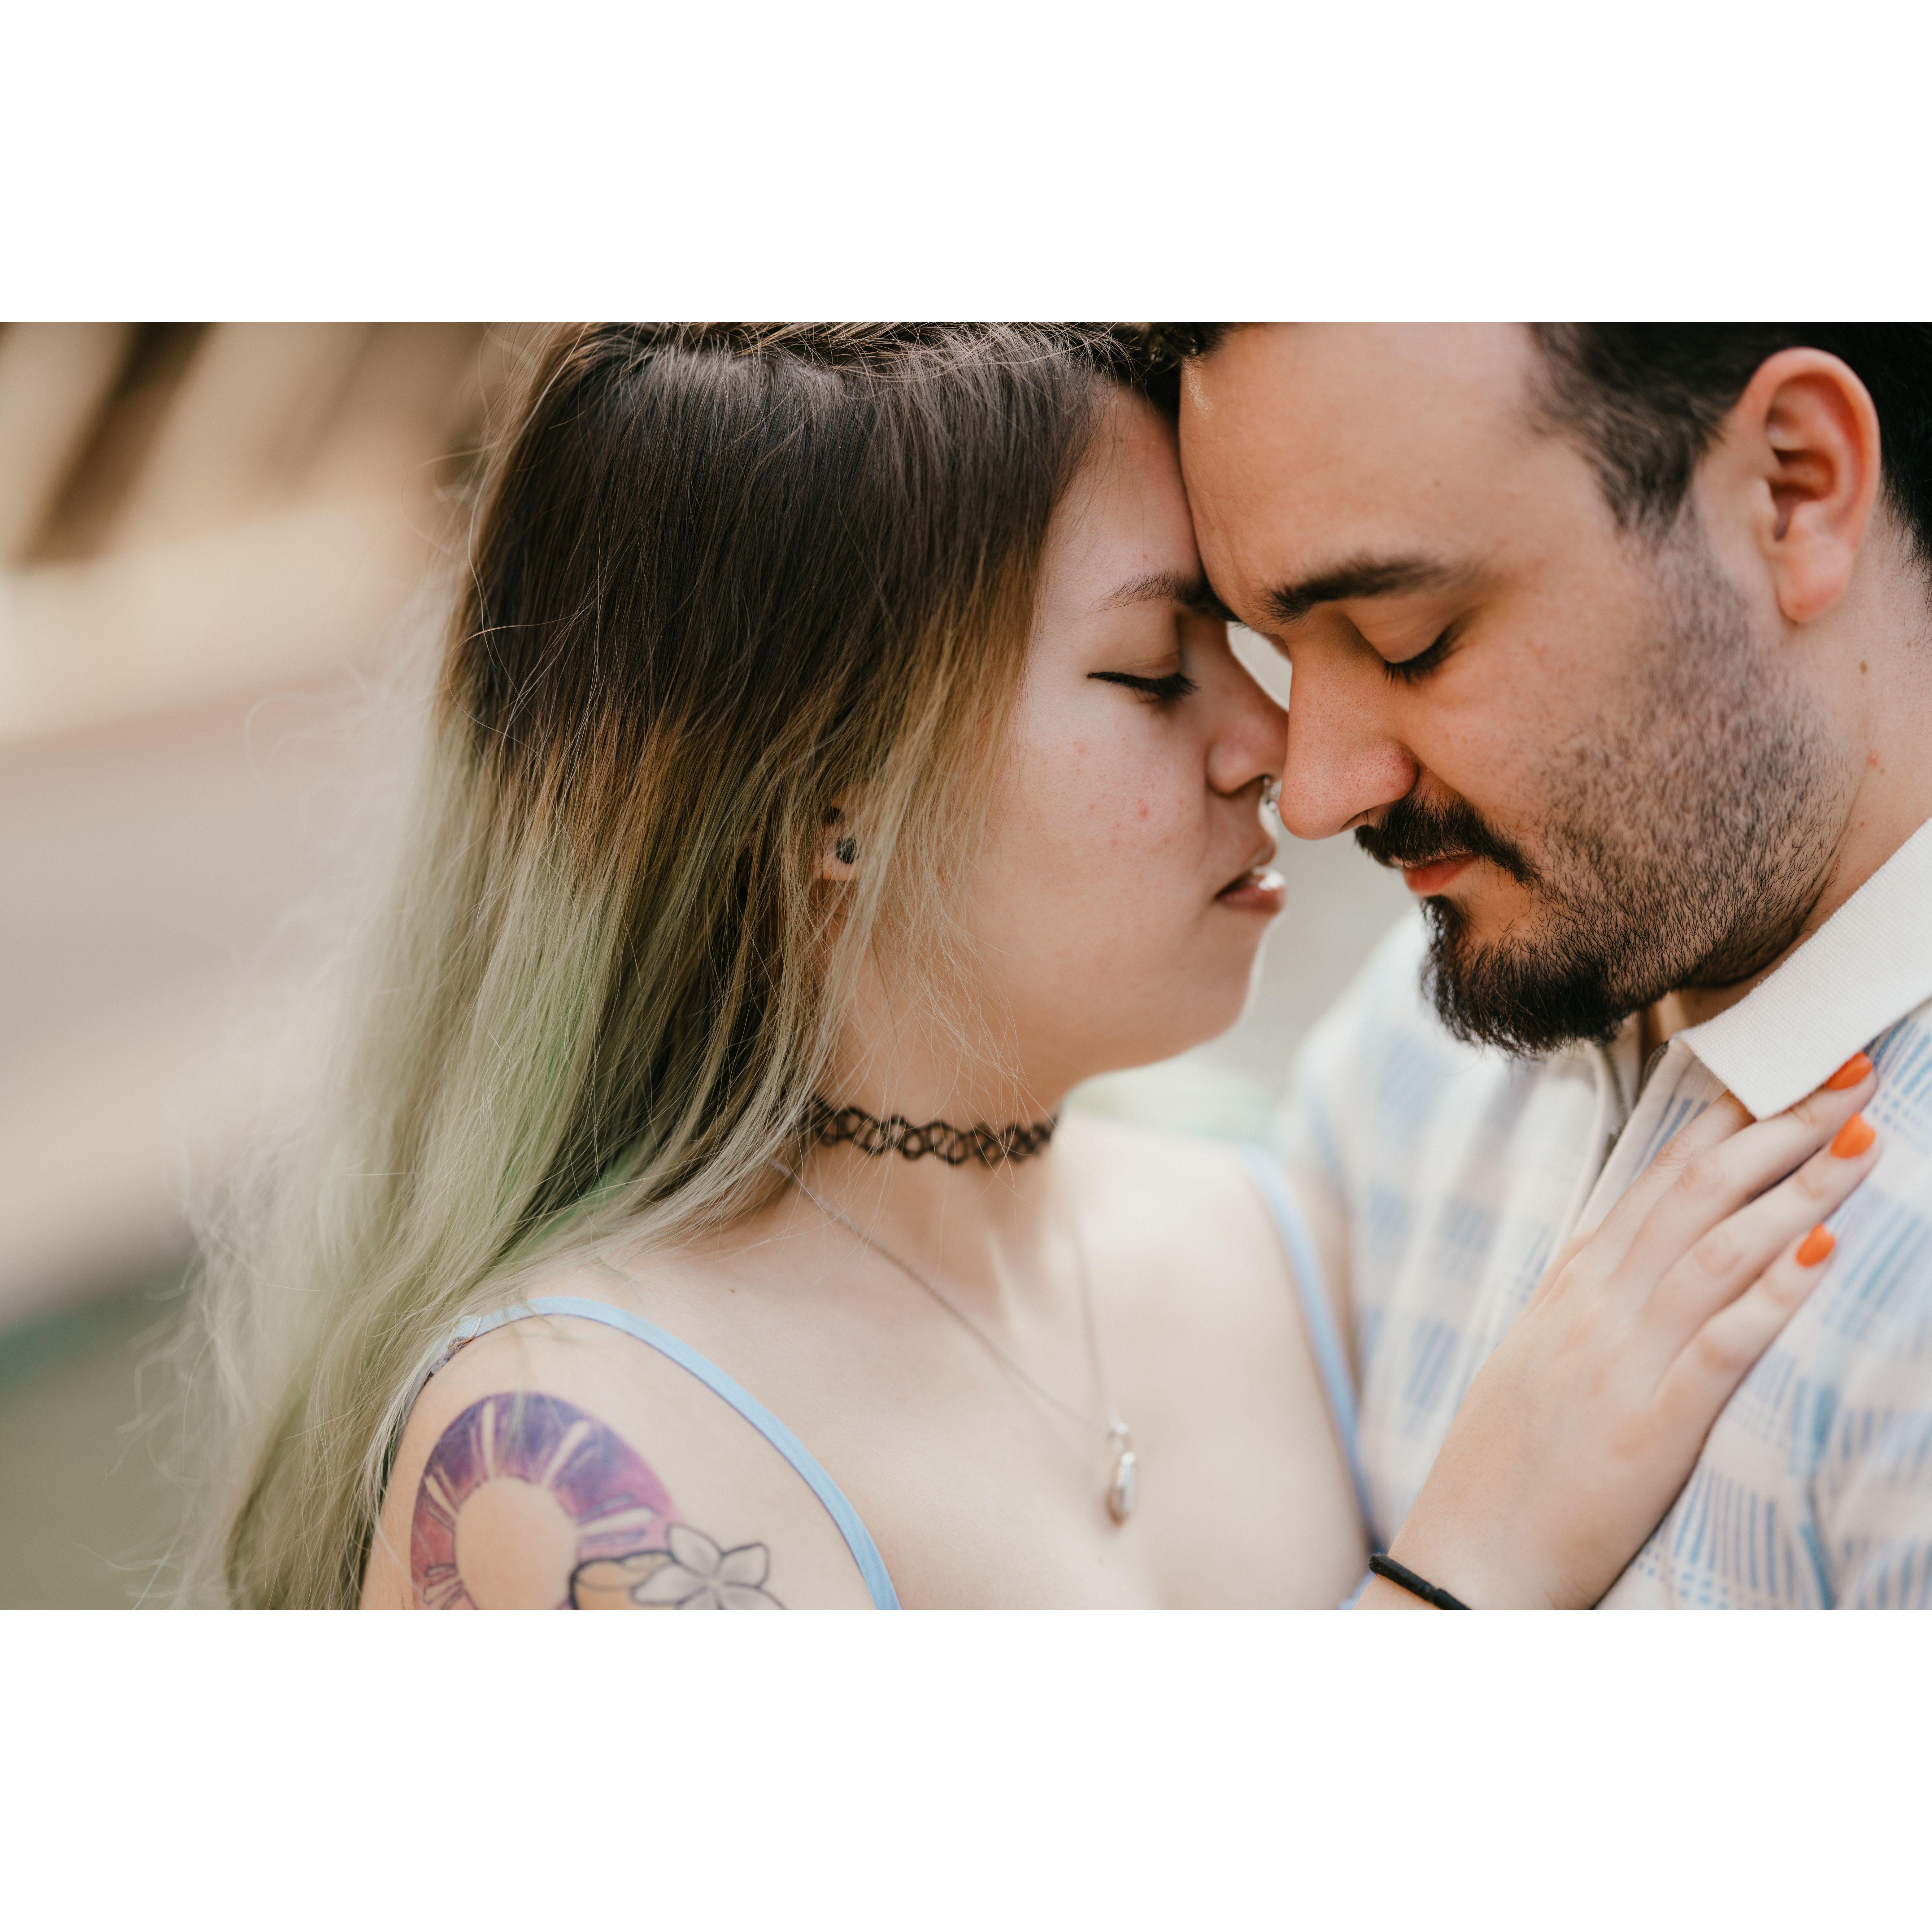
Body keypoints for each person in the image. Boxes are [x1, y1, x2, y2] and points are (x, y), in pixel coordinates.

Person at [181, 324, 1879, 1610]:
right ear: (831, 804)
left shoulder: (1289, 1234)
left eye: (1273, 647)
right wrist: (1467, 1575)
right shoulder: (563, 1454)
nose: (1284, 762)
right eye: (1154, 671)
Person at [1172, 323, 1932, 1608]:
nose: (1315, 792)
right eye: (1279, 653)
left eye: (1410, 640)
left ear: (1795, 492)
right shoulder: (1412, 1050)